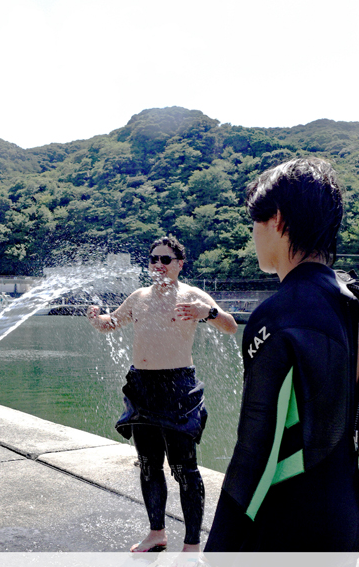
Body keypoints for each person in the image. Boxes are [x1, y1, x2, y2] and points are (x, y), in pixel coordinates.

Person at [204, 157, 359, 555]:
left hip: (287, 525)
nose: (253, 234)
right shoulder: (357, 303)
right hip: (346, 513)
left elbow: (255, 456)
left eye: (255, 222)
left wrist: (217, 550)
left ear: (278, 221)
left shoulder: (278, 313)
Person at [87, 235, 237, 554]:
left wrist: (207, 311)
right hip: (142, 386)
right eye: (154, 259)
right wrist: (96, 319)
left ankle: (192, 544)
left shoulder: (192, 296)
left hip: (179, 387)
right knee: (148, 464)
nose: (158, 265)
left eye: (165, 260)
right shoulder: (139, 297)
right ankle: (156, 533)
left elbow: (230, 326)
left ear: (179, 264)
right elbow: (111, 324)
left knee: (185, 468)